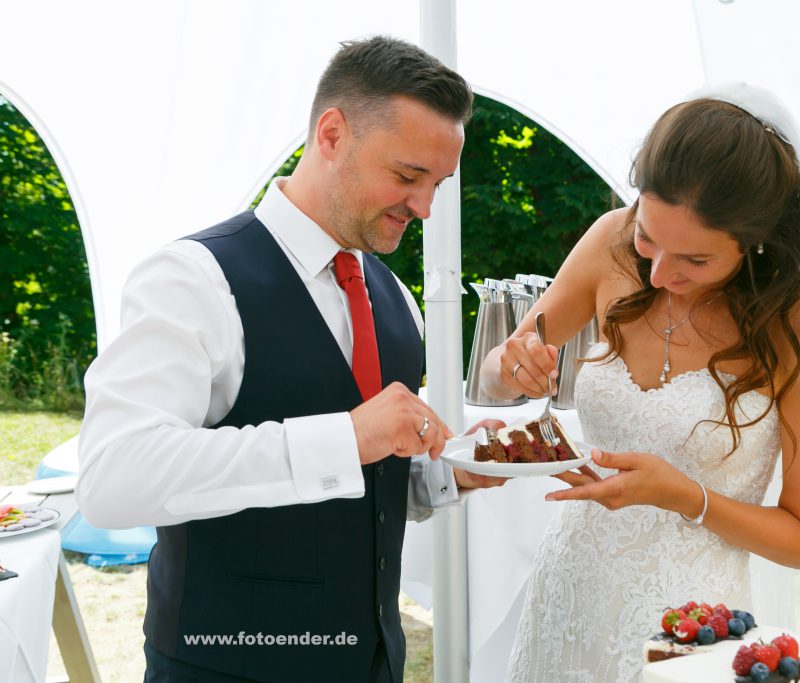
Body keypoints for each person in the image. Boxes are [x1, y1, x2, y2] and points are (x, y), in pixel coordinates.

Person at [78, 36, 502, 683]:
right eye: (409, 176)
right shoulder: (192, 278)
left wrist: (451, 474)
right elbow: (113, 480)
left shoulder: (396, 302)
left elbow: (361, 488)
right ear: (331, 134)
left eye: (437, 183)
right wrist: (346, 436)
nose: (424, 207)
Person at [481, 84, 800, 682]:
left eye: (695, 261)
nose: (659, 272)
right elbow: (503, 371)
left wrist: (685, 496)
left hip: (690, 624)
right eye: (648, 238)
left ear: (756, 240)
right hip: (571, 589)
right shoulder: (608, 241)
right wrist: (511, 365)